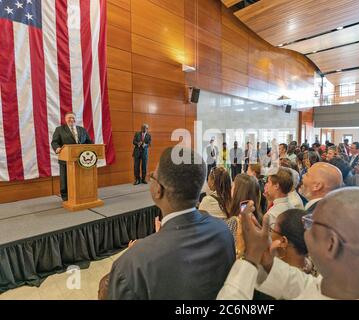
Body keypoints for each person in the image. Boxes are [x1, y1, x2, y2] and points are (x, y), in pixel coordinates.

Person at [217, 188, 359, 300]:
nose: (305, 228)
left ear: (331, 244)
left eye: (310, 223)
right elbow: (312, 287)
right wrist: (267, 260)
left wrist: (249, 258)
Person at [107, 147, 235, 299]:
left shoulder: (131, 265)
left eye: (152, 177)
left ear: (158, 190)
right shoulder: (224, 232)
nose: (150, 180)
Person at [51, 112, 93, 201]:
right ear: (65, 119)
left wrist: (92, 148)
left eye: (73, 118)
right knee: (65, 178)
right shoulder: (59, 129)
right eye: (69, 118)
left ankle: (80, 194)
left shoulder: (82, 129)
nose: (71, 120)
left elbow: (89, 141)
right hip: (65, 159)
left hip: (81, 160)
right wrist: (57, 148)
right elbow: (54, 142)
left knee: (80, 178)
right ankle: (65, 196)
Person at [227, 173, 263, 258]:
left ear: (237, 192)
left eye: (233, 186)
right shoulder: (259, 219)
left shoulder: (234, 222)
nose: (230, 189)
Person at [269, 209, 315, 274]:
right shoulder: (314, 264)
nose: (270, 234)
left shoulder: (279, 277)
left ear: (283, 241)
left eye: (272, 230)